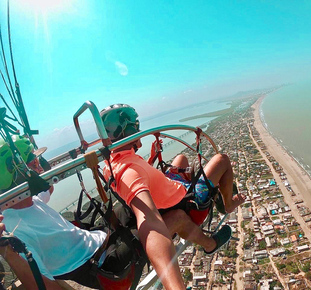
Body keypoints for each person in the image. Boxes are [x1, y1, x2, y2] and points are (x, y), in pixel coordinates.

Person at [101, 104, 246, 290]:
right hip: (184, 201)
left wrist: (152, 159)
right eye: (135, 128)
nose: (138, 131)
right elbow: (150, 219)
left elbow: (138, 174)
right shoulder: (130, 173)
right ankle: (227, 205)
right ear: (129, 131)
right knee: (222, 160)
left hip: (166, 190)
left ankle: (205, 182)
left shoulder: (111, 163)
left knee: (181, 159)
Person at [0, 136, 132, 289]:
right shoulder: (16, 231)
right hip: (99, 263)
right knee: (141, 218)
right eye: (34, 163)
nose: (39, 167)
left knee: (124, 209)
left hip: (96, 243)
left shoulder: (29, 202)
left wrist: (77, 152)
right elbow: (42, 286)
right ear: (17, 173)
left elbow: (49, 187)